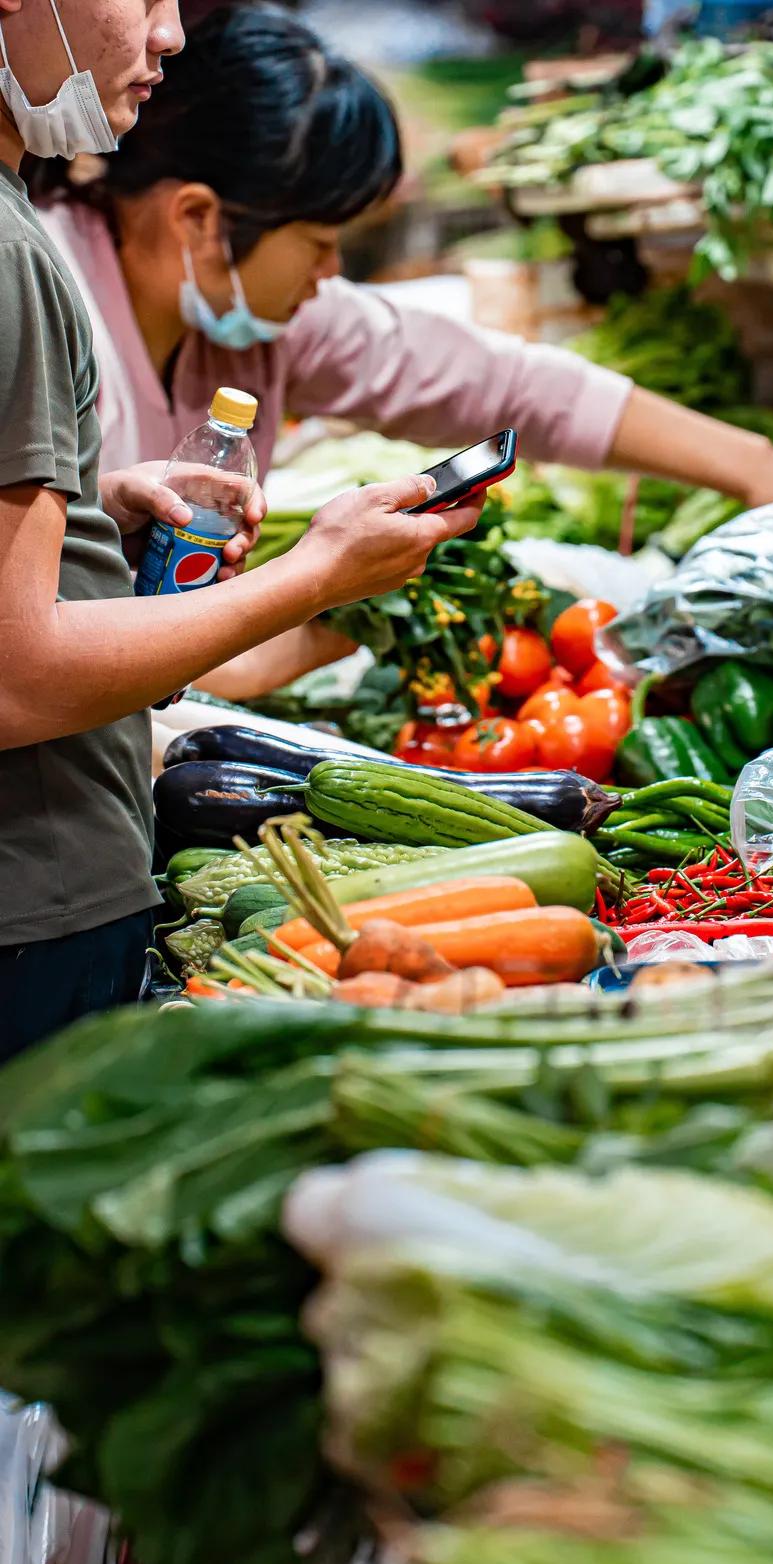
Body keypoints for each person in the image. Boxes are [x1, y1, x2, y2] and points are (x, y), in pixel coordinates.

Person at [31, 3, 773, 700]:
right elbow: (46, 649)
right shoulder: (50, 315)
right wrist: (312, 599)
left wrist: (762, 470)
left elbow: (508, 385)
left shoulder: (265, 315)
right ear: (200, 219)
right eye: (320, 240)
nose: (332, 272)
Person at [0, 0, 486, 1062]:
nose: (170, 34)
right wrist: (319, 574)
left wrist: (91, 512)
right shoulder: (18, 260)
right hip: (35, 911)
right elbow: (17, 675)